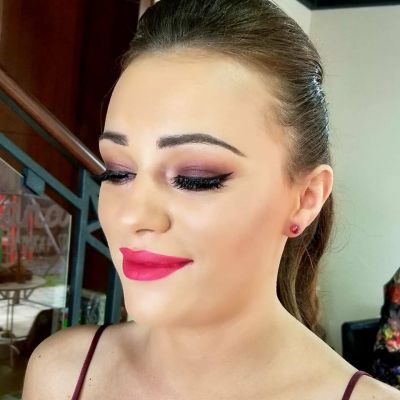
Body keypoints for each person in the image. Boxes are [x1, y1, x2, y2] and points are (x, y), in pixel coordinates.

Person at [21, 0, 400, 398]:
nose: (133, 215)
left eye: (196, 178)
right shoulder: (60, 374)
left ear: (306, 198)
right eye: (118, 172)